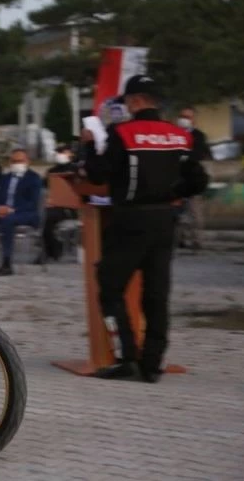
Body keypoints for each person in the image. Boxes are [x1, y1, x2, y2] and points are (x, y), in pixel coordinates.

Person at [81, 75, 209, 383]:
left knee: (110, 286)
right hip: (165, 220)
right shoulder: (179, 135)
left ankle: (127, 357)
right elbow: (199, 181)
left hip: (129, 219)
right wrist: (173, 194)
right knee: (156, 293)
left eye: (127, 101)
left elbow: (98, 175)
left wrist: (89, 145)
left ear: (136, 100)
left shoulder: (123, 133)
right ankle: (152, 363)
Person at [35, 144, 78, 264]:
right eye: (58, 152)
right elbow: (43, 188)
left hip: (70, 208)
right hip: (53, 206)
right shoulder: (52, 171)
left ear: (70, 154)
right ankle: (52, 249)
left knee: (48, 218)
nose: (60, 155)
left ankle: (51, 250)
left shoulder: (75, 170)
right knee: (44, 217)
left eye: (63, 152)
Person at [176, 107, 211, 250]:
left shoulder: (198, 136)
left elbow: (198, 154)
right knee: (178, 212)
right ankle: (180, 239)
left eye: (187, 117)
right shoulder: (174, 133)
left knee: (195, 211)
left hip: (192, 178)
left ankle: (197, 241)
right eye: (182, 116)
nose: (183, 119)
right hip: (176, 178)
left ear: (193, 120)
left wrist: (184, 157)